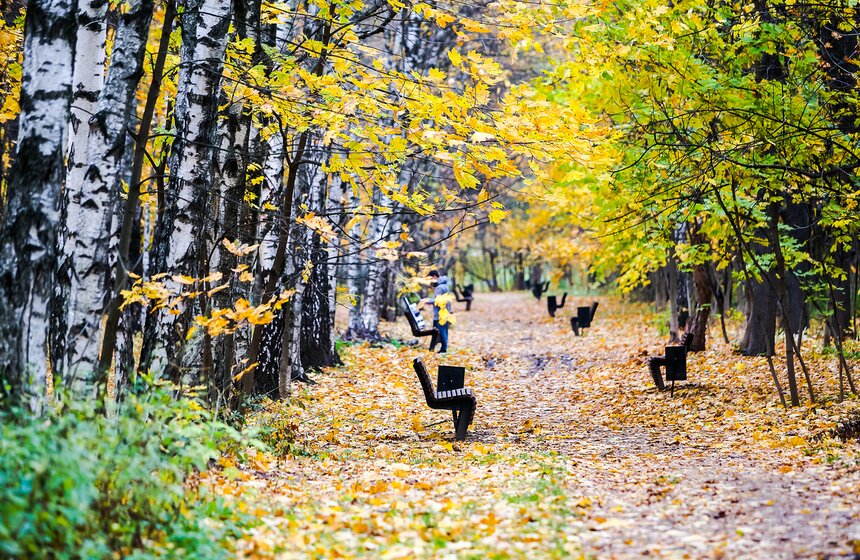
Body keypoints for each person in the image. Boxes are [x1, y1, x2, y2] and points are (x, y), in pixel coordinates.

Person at [422, 269, 452, 353]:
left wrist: (426, 301)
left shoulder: (439, 287)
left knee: (441, 331)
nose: (431, 281)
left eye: (431, 279)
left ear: (434, 276)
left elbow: (437, 301)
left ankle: (443, 349)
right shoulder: (445, 285)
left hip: (440, 313)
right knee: (444, 330)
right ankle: (443, 348)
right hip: (446, 312)